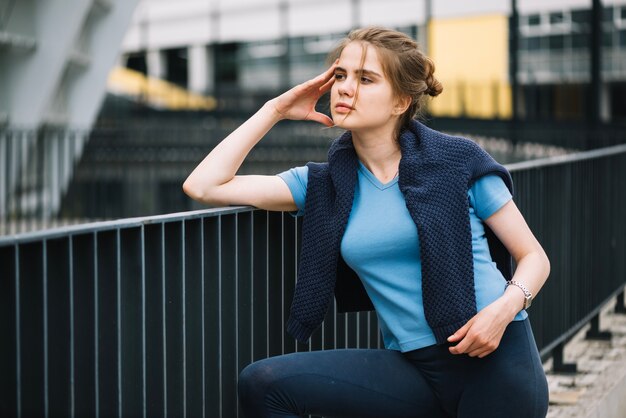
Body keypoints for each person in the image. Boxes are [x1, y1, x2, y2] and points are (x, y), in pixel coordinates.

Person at [183, 26, 550, 418]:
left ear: (400, 102)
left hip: (495, 360)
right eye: (340, 76)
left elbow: (534, 257)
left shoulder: (457, 162)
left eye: (365, 79)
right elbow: (203, 185)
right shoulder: (324, 185)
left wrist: (503, 311)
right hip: (414, 367)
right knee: (263, 383)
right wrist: (275, 110)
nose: (344, 88)